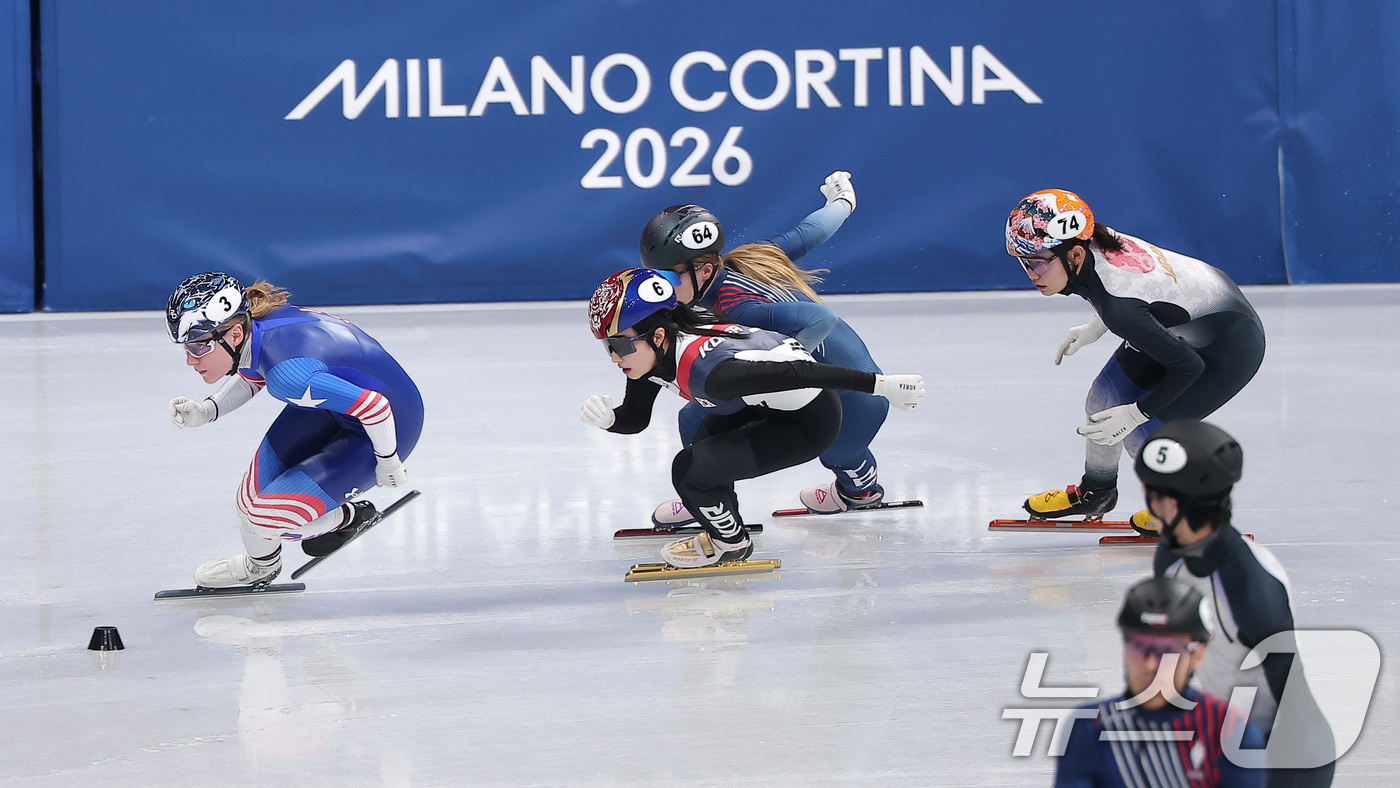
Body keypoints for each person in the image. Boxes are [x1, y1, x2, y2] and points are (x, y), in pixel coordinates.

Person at [580, 268, 924, 568]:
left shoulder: (712, 372)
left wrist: (881, 386)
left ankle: (731, 544)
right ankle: (716, 513)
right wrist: (611, 419)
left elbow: (800, 373)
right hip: (757, 403)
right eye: (606, 347)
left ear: (657, 336)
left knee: (688, 471)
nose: (613, 357)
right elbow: (636, 417)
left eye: (619, 346)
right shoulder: (654, 352)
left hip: (807, 422)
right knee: (698, 444)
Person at [639, 171, 894, 524]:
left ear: (704, 269)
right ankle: (708, 497)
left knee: (841, 452)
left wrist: (787, 370)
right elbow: (810, 232)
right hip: (834, 381)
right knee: (694, 416)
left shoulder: (736, 306)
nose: (661, 288)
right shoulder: (748, 259)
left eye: (667, 278)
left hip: (855, 400)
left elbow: (820, 319)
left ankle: (860, 490)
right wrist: (842, 203)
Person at [1007, 189, 1265, 535]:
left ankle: (1185, 508)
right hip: (1190, 320)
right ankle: (1096, 492)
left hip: (1230, 346)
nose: (1031, 273)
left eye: (1037, 261)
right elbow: (1142, 290)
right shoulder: (1094, 243)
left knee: (1144, 433)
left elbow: (1189, 367)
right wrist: (1095, 327)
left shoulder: (1120, 309)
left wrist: (1135, 413)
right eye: (1024, 262)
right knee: (1101, 401)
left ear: (1076, 254)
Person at [166, 272, 423, 588]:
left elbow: (375, 407)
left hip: (391, 423)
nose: (191, 360)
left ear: (233, 335)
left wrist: (389, 462)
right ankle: (261, 566)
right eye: (186, 348)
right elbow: (252, 370)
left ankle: (350, 517)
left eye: (198, 347)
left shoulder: (289, 376)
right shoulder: (253, 332)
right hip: (338, 406)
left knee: (266, 518)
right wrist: (208, 410)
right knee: (249, 500)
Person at [1139, 419, 1335, 786]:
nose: (1148, 506)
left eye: (1152, 494)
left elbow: (1294, 709)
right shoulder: (1171, 557)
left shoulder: (1251, 588)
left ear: (1175, 503)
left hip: (1284, 759)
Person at [1056, 575, 1266, 787]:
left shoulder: (1229, 732)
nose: (1150, 665)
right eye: (1138, 647)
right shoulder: (1090, 727)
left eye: (1167, 650)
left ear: (1198, 654)